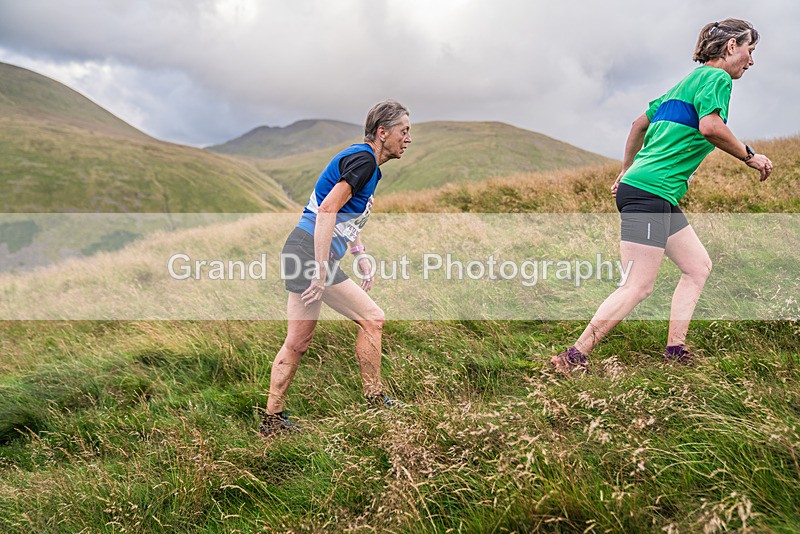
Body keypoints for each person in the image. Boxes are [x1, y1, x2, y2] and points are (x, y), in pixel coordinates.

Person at [552, 19, 773, 373]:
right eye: (750, 50)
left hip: (652, 191)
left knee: (698, 267)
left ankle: (675, 351)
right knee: (638, 286)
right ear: (732, 46)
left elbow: (638, 124)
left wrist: (626, 170)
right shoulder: (717, 79)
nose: (752, 60)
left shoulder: (682, 85)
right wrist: (750, 156)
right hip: (650, 192)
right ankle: (572, 357)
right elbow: (710, 127)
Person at [260, 100, 412, 437]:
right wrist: (319, 270)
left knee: (298, 342)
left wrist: (359, 254)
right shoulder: (364, 161)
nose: (408, 138)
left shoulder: (365, 161)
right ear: (382, 132)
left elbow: (345, 214)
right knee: (372, 319)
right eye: (403, 131)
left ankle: (272, 421)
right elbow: (328, 210)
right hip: (309, 254)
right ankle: (376, 401)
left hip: (300, 249)